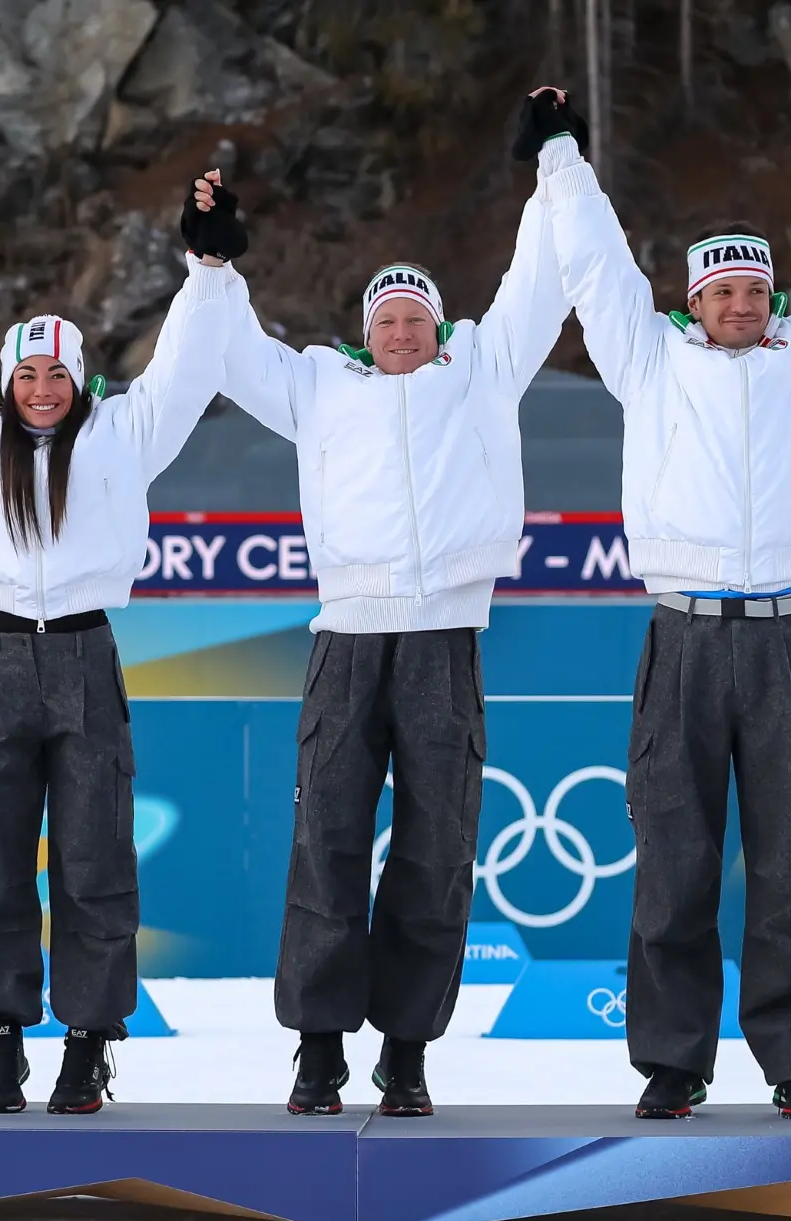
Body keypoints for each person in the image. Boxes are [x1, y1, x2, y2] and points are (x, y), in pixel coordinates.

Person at [530, 85, 791, 1120]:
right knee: (674, 862)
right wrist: (558, 154)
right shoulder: (650, 359)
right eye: (723, 291)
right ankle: (674, 1061)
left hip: (783, 637)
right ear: (695, 298)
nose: (741, 304)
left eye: (756, 289)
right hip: (682, 638)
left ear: (774, 297)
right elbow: (595, 262)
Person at [210, 95, 571, 1117]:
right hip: (348, 640)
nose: (403, 334)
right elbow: (231, 353)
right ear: (366, 334)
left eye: (416, 318)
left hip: (444, 641)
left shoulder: (484, 371)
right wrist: (214, 266)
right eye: (387, 322)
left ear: (438, 325)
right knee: (325, 840)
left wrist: (552, 164)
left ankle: (405, 1048)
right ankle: (319, 1047)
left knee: (434, 849)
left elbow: (537, 284)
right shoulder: (322, 386)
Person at [0, 176, 236, 1113]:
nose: (40, 391)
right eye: (27, 375)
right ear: (6, 380)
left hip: (83, 657)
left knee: (94, 862)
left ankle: (86, 1042)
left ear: (81, 380)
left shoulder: (126, 433)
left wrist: (203, 265)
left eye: (56, 375)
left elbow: (189, 367)